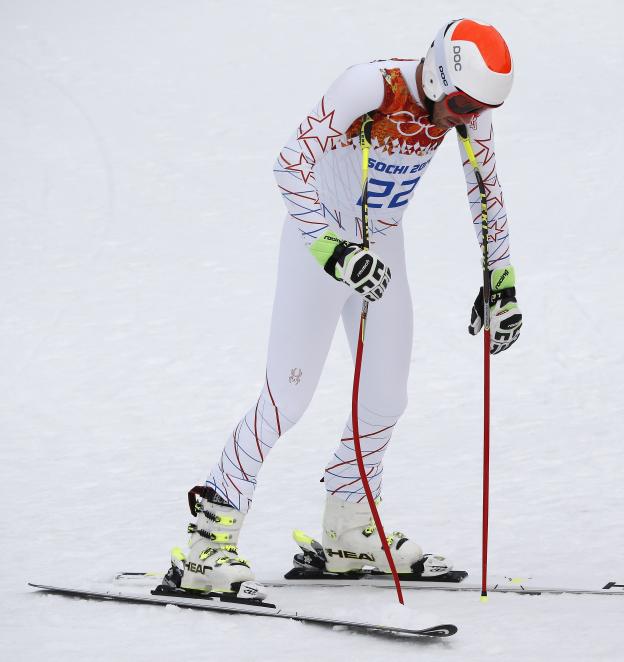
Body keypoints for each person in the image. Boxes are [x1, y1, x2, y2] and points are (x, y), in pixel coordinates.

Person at [170, 18, 523, 595]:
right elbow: (290, 166)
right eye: (461, 103)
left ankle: (350, 523)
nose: (467, 117)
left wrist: (500, 281)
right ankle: (208, 544)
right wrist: (332, 250)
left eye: (481, 108)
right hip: (320, 244)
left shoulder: (468, 112)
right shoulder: (369, 87)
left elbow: (486, 189)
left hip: (380, 246)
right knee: (288, 396)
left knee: (387, 394)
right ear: (437, 72)